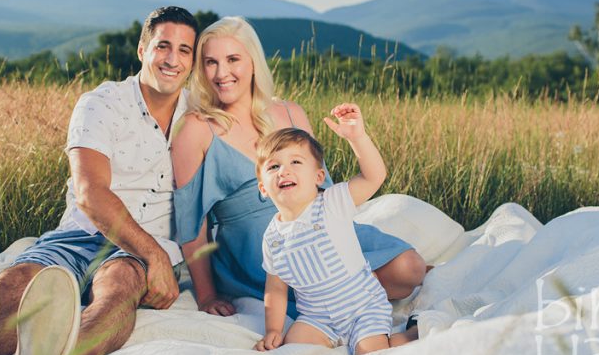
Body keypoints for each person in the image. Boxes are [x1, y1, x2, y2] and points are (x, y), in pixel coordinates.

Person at [0, 6, 199, 355]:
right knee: (16, 283)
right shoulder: (101, 103)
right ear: (142, 51)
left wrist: (156, 257)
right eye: (163, 46)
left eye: (184, 50)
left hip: (141, 248)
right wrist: (156, 257)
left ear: (192, 60)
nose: (172, 59)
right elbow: (90, 194)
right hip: (81, 233)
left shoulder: (199, 118)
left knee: (119, 287)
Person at [171, 16, 426, 320]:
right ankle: (346, 293)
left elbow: (324, 190)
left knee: (410, 267)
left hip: (319, 231)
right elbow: (192, 223)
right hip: (258, 252)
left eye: (233, 59)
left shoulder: (291, 113)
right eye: (211, 62)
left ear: (253, 62)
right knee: (325, 285)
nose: (221, 73)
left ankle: (350, 288)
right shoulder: (196, 129)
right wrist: (207, 295)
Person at [253, 114, 417, 355]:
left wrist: (357, 138)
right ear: (263, 188)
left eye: (296, 162)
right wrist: (273, 330)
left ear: (318, 177)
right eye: (274, 166)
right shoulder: (272, 237)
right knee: (293, 349)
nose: (284, 171)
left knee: (370, 354)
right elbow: (276, 288)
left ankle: (412, 333)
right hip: (317, 317)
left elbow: (374, 176)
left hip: (363, 307)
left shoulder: (332, 202)